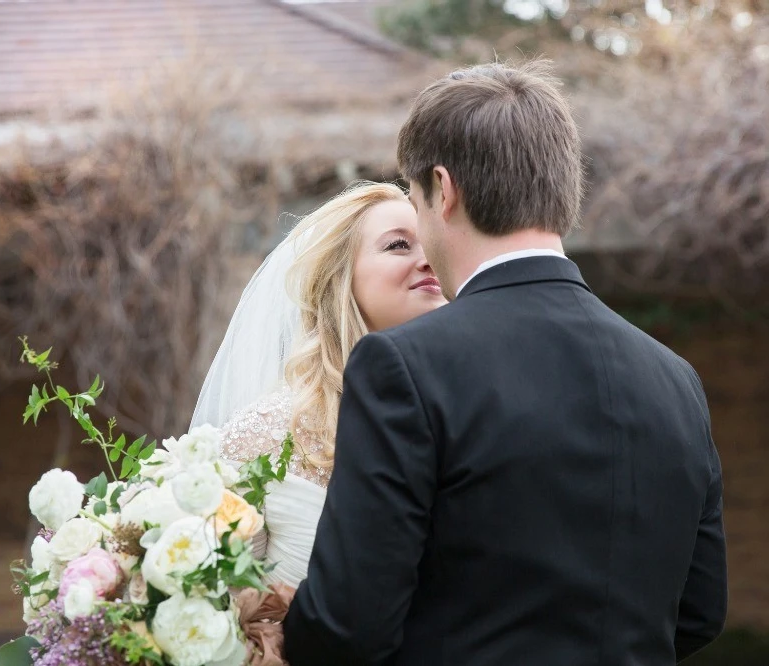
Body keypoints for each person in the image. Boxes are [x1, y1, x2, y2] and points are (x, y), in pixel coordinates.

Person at [283, 60, 728, 666]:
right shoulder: (675, 379)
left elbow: (348, 627)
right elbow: (700, 609)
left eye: (413, 199)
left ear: (443, 189)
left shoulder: (405, 365)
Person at [191, 181, 446, 586]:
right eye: (399, 245)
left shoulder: (467, 408)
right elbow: (218, 592)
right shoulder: (269, 432)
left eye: (433, 243)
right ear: (339, 278)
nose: (429, 260)